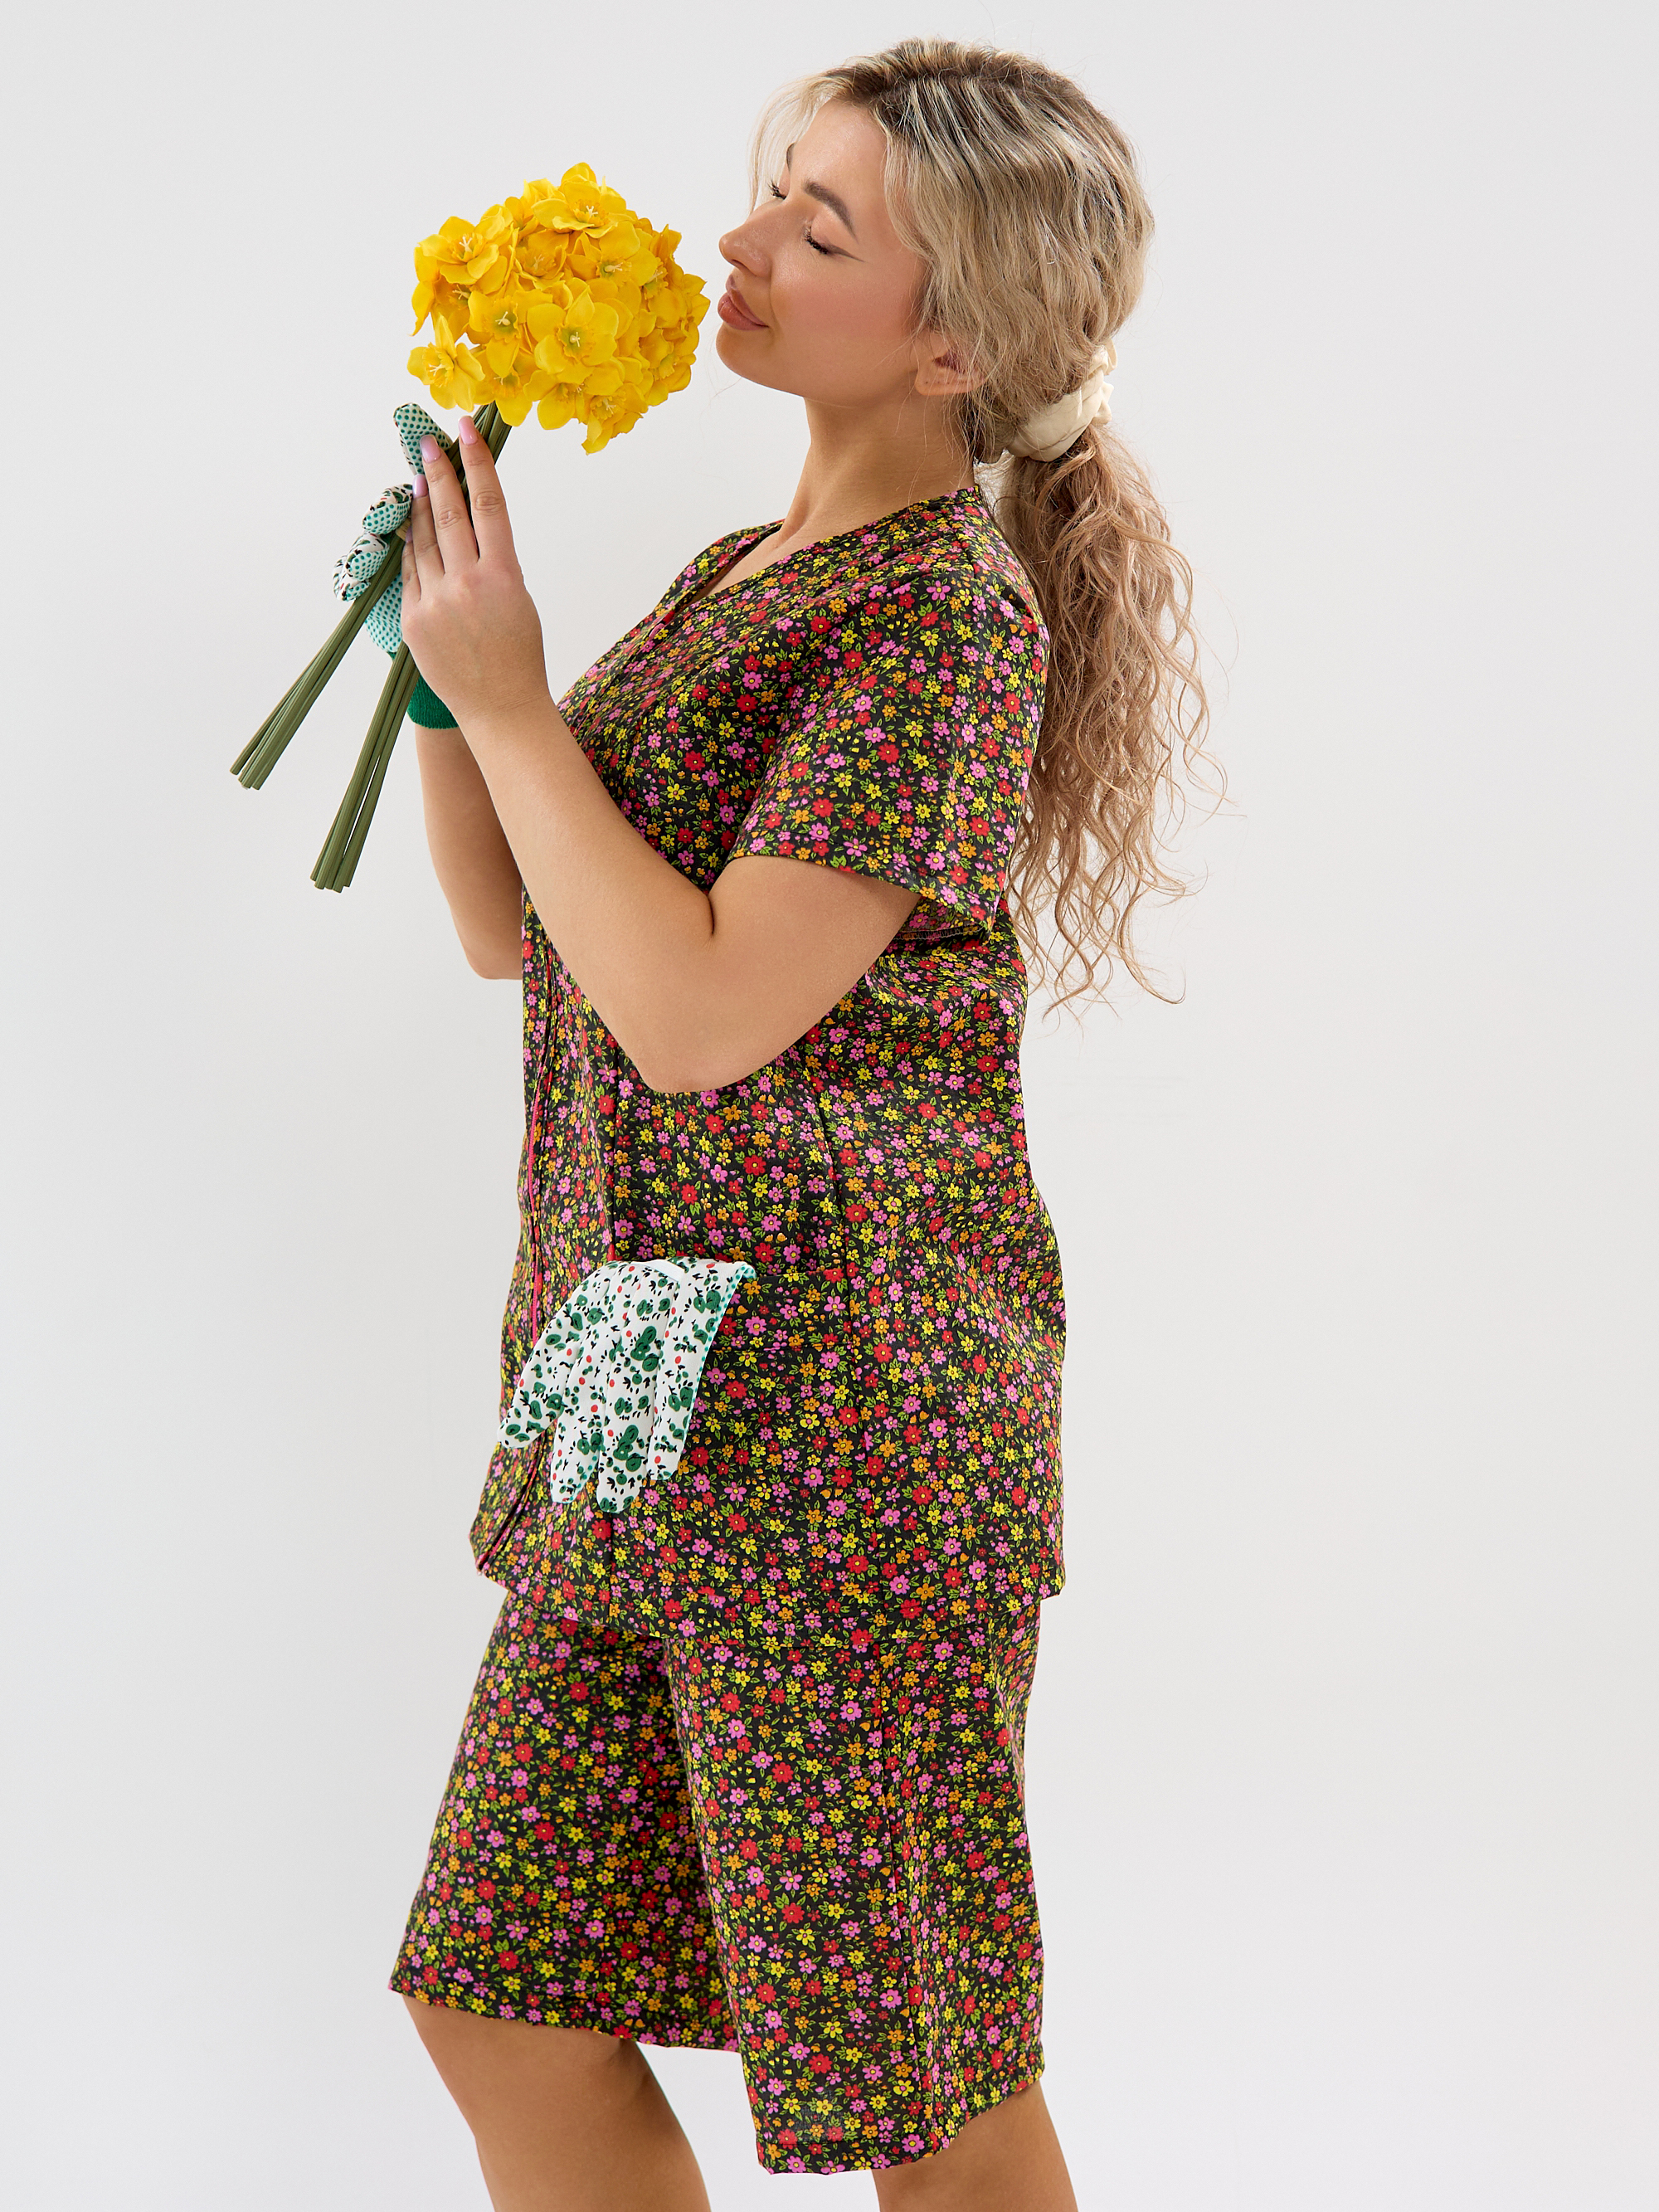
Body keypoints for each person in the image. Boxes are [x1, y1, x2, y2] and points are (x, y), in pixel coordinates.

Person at [386, 36, 1209, 2211]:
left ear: (955, 343)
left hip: (842, 1425)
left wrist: (508, 697)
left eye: (815, 228)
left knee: (915, 2075)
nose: (735, 242)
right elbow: (520, 932)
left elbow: (693, 1018)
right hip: (639, 1378)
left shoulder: (941, 622)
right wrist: (446, 675)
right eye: (768, 188)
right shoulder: (742, 569)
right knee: (501, 1996)